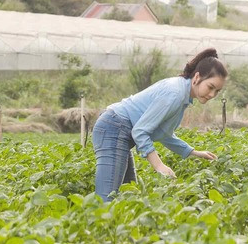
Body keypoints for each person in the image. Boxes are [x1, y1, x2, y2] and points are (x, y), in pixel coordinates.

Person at [91, 47, 227, 201]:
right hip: (113, 127)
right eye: (210, 87)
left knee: (127, 197)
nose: (212, 95)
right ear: (197, 77)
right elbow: (140, 131)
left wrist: (194, 152)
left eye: (217, 91)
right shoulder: (174, 94)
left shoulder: (181, 94)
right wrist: (159, 166)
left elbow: (163, 134)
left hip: (118, 129)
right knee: (106, 199)